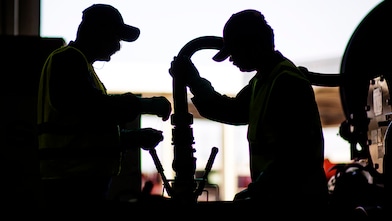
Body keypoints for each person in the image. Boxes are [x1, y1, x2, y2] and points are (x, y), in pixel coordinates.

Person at [169, 9, 329, 216]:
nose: (231, 60)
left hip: (298, 205)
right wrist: (194, 81)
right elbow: (232, 111)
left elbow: (295, 155)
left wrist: (256, 190)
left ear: (253, 45)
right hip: (280, 200)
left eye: (234, 52)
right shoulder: (262, 81)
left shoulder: (287, 82)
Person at [37, 4, 172, 208]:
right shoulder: (67, 59)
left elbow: (85, 127)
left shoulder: (80, 66)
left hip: (75, 179)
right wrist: (146, 104)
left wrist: (130, 138)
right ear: (96, 32)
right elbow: (94, 107)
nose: (118, 46)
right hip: (71, 183)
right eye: (115, 38)